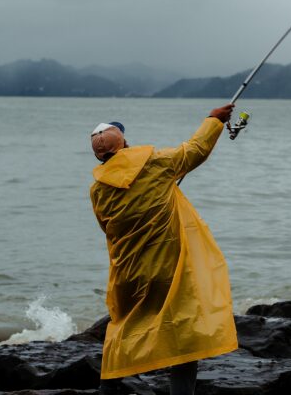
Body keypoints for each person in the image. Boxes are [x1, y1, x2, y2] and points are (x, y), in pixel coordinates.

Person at [89, 104, 239, 395]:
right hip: (168, 269)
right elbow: (196, 149)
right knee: (184, 334)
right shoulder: (156, 163)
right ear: (125, 143)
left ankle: (107, 390)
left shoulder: (97, 190)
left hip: (129, 275)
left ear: (98, 155)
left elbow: (108, 227)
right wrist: (214, 120)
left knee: (122, 332)